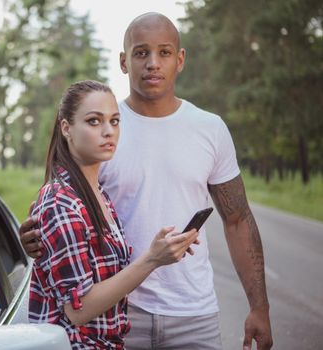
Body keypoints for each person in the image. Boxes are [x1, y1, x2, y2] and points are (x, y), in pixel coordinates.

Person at [20, 13, 273, 350]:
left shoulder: (209, 129)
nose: (153, 63)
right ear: (124, 61)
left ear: (180, 60)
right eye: (141, 53)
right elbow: (63, 216)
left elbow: (238, 218)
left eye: (164, 52)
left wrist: (259, 307)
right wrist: (35, 239)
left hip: (193, 312)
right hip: (119, 314)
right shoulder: (99, 129)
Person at [28, 80, 199, 349]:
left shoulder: (99, 194)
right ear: (66, 128)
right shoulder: (61, 203)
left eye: (115, 121)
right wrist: (152, 259)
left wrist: (163, 249)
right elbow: (79, 309)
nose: (109, 131)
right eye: (94, 121)